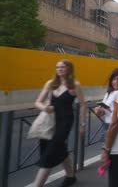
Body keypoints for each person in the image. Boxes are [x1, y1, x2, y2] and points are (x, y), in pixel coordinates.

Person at [33, 59, 87, 187]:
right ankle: (70, 176)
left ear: (69, 69)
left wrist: (82, 124)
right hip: (50, 122)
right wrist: (44, 108)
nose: (59, 69)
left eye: (62, 67)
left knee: (51, 152)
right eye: (57, 67)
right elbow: (38, 102)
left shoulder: (75, 85)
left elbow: (83, 105)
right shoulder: (50, 84)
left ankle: (37, 184)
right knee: (58, 148)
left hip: (65, 122)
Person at [95, 68, 118, 142]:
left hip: (117, 127)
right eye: (114, 79)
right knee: (107, 149)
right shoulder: (109, 93)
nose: (116, 82)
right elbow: (103, 113)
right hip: (107, 125)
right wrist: (99, 111)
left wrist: (109, 109)